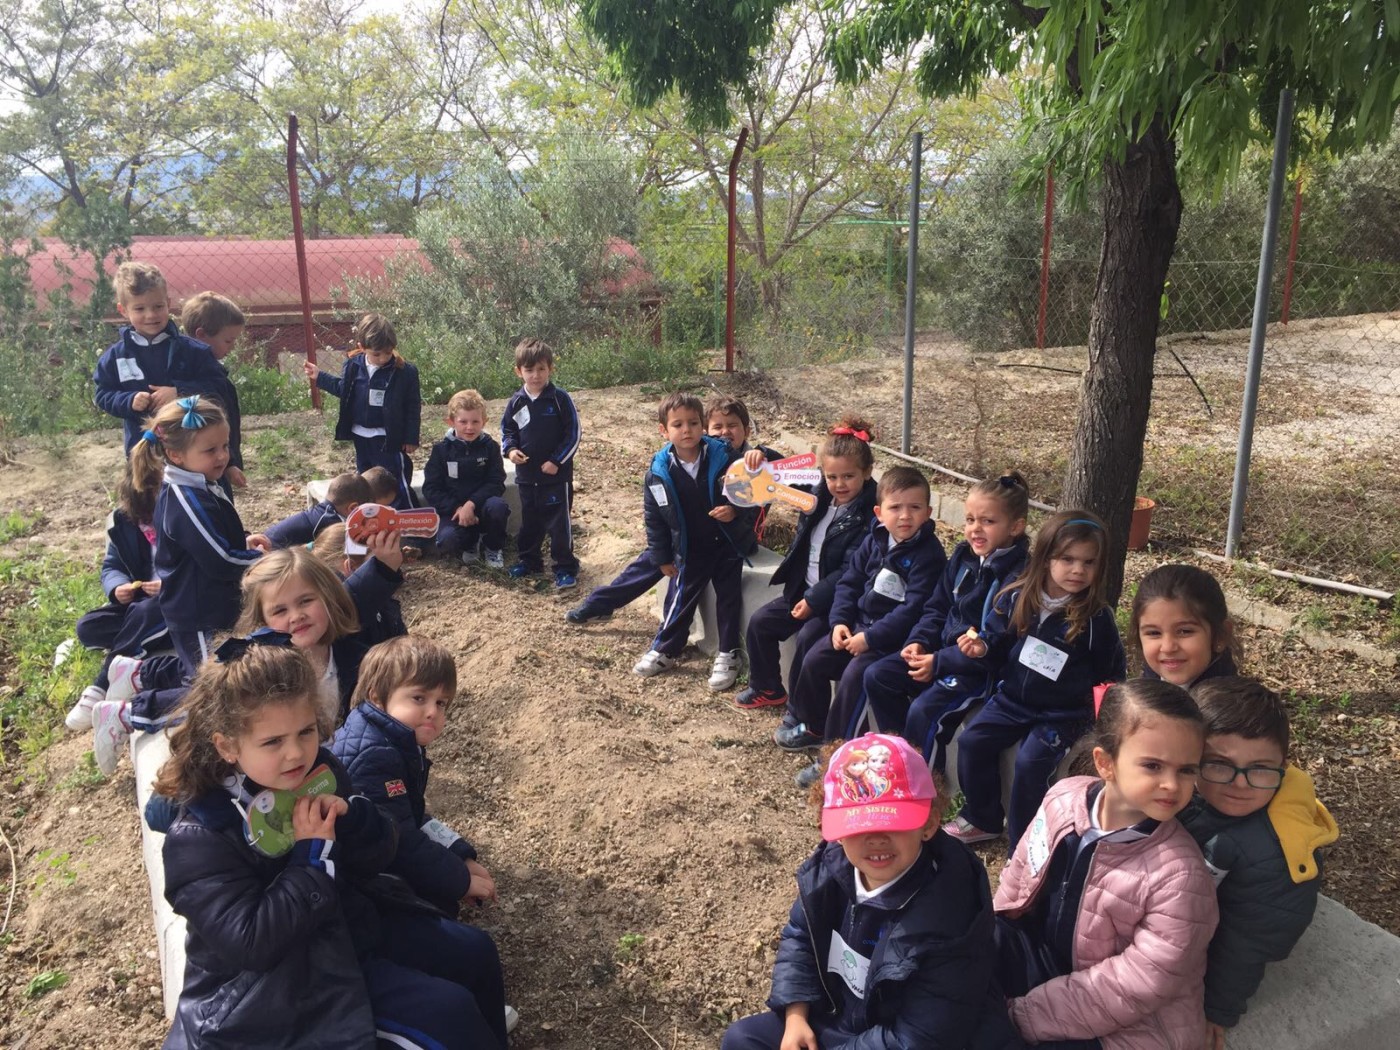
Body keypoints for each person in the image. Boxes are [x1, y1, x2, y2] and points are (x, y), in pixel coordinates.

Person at [153, 640, 507, 1049]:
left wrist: (355, 819)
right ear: (227, 745)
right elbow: (251, 943)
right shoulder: (200, 838)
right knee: (448, 1013)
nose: (295, 753)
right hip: (276, 987)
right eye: (272, 742)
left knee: (475, 951)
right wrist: (311, 858)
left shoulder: (320, 770)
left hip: (345, 926)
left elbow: (379, 853)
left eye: (305, 732)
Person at [722, 732, 1020, 1050]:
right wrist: (796, 1015)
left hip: (905, 1035)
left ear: (929, 823)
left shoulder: (951, 915)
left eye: (893, 824)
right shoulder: (829, 870)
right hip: (842, 1017)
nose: (876, 839)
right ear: (833, 828)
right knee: (742, 1039)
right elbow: (800, 937)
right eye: (858, 826)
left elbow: (918, 1038)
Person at [993, 679, 1219, 1050]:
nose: (1171, 785)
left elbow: (1134, 988)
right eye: (1153, 766)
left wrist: (1023, 1014)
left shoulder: (1180, 876)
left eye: (1186, 771)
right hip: (1048, 960)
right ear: (1105, 763)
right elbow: (1021, 871)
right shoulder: (1063, 799)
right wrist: (997, 927)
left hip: (1126, 1025)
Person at [89, 395, 262, 773]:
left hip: (205, 602)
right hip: (198, 610)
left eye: (225, 446)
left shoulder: (197, 482)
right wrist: (266, 562)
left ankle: (133, 673)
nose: (222, 456)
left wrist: (243, 544)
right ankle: (125, 715)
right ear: (177, 455)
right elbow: (219, 560)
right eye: (211, 449)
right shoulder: (185, 496)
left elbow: (212, 544)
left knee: (202, 671)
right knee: (213, 690)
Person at [945, 510, 1126, 849]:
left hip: (1062, 713)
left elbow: (1111, 671)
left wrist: (1105, 719)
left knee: (1031, 763)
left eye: (1089, 563)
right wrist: (981, 647)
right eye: (1067, 559)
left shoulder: (1095, 618)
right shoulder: (1018, 598)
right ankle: (982, 818)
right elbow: (997, 644)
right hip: (1012, 700)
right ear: (1045, 559)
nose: (1078, 570)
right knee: (972, 742)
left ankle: (1025, 844)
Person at [1180, 677, 1338, 1049]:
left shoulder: (1276, 857)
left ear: (1284, 765)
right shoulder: (1188, 789)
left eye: (1260, 768)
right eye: (1219, 764)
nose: (1240, 784)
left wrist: (1216, 1010)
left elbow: (1246, 944)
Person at [776, 466, 946, 789]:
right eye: (896, 508)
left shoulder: (929, 555)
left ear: (928, 512)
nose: (905, 516)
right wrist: (840, 621)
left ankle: (835, 756)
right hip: (856, 628)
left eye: (914, 508)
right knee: (815, 658)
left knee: (856, 678)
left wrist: (869, 639)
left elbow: (913, 610)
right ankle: (813, 727)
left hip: (889, 642)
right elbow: (850, 583)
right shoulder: (875, 540)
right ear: (880, 513)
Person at [564, 395, 777, 633]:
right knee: (655, 558)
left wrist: (762, 460)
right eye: (717, 427)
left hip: (730, 541)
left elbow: (782, 479)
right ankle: (601, 604)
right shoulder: (703, 454)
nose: (725, 433)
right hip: (692, 536)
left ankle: (672, 634)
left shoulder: (756, 458)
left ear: (746, 430)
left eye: (732, 426)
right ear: (706, 430)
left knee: (685, 566)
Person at [862, 472, 1032, 769]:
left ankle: (925, 787)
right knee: (878, 676)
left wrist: (938, 663)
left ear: (1015, 527)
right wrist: (918, 642)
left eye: (988, 522)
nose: (975, 530)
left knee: (923, 711)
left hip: (976, 672)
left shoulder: (1018, 577)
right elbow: (937, 608)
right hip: (939, 654)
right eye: (969, 520)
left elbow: (993, 644)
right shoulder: (963, 556)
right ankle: (901, 759)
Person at [331, 636, 498, 917]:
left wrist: (459, 853)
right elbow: (402, 841)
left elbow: (408, 812)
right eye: (419, 698)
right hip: (354, 875)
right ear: (377, 696)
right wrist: (460, 879)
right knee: (443, 908)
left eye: (441, 702)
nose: (433, 712)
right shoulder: (376, 754)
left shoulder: (393, 737)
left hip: (376, 852)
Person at [735, 417, 877, 711]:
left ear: (867, 472)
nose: (839, 484)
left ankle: (804, 714)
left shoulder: (870, 514)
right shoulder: (818, 493)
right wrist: (762, 454)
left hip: (836, 601)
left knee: (809, 640)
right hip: (804, 589)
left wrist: (814, 600)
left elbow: (851, 570)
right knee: (760, 623)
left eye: (848, 477)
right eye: (832, 476)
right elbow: (787, 473)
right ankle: (767, 688)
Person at [619, 392, 757, 687]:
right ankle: (666, 648)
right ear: (664, 431)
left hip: (727, 545)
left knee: (729, 599)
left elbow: (752, 495)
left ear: (703, 426)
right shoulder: (658, 472)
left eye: (693, 423)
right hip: (691, 549)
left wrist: (734, 511)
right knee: (681, 598)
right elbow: (654, 518)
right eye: (678, 424)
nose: (687, 430)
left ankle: (728, 654)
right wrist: (662, 557)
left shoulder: (725, 457)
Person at [92, 263, 237, 478]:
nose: (151, 315)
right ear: (123, 310)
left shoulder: (194, 352)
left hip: (194, 454)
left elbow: (219, 389)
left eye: (158, 306)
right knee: (150, 506)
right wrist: (129, 400)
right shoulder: (115, 357)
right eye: (140, 309)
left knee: (200, 507)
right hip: (145, 453)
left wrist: (179, 392)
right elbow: (102, 394)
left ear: (168, 304)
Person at [64, 463, 168, 732]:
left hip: (174, 599)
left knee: (145, 613)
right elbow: (112, 566)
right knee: (88, 627)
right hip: (140, 601)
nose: (147, 523)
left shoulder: (178, 515)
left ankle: (102, 684)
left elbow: (196, 565)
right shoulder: (123, 521)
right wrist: (118, 587)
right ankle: (141, 637)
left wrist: (167, 583)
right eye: (142, 518)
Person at [305, 313, 422, 510]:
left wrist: (411, 437)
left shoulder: (405, 372)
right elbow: (344, 389)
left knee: (394, 483)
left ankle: (409, 522)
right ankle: (372, 519)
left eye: (388, 352)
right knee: (366, 483)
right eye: (377, 354)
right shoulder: (352, 365)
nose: (384, 358)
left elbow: (412, 406)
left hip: (387, 438)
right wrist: (320, 376)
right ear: (361, 347)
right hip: (361, 437)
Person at [500, 338, 581, 588]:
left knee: (559, 525)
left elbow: (574, 433)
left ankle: (565, 567)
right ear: (518, 371)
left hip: (555, 477)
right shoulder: (516, 402)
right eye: (529, 370)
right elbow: (507, 431)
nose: (535, 375)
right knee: (530, 521)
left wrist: (556, 461)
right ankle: (530, 561)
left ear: (550, 369)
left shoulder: (559, 399)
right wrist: (511, 450)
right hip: (526, 477)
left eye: (541, 369)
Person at [423, 389, 510, 569]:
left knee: (498, 507)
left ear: (484, 422)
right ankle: (470, 543)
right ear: (451, 422)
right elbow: (431, 488)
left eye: (475, 422)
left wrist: (471, 504)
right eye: (463, 422)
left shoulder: (490, 447)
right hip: (454, 511)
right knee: (447, 540)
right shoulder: (441, 450)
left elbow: (496, 482)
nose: (469, 427)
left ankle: (493, 547)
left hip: (482, 506)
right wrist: (458, 508)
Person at [179, 290, 248, 498]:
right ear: (201, 336)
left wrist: (231, 462)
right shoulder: (188, 373)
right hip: (201, 469)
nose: (233, 346)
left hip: (218, 463)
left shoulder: (213, 371)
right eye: (228, 341)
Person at [1129, 564, 1237, 688]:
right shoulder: (1144, 689)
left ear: (1221, 636)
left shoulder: (1230, 704)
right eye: (1154, 633)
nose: (1168, 648)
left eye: (1184, 631)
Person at [311, 524, 408, 647]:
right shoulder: (339, 617)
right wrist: (385, 570)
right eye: (379, 560)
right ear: (351, 567)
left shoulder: (381, 601)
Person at [249, 472, 372, 551]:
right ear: (353, 508)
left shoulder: (324, 512)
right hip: (270, 552)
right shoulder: (331, 521)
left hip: (266, 541)